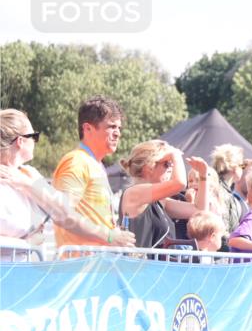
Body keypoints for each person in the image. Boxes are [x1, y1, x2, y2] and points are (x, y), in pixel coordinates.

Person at [0, 108, 136, 256]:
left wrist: (27, 184)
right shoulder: (76, 161)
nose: (118, 133)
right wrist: (26, 242)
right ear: (20, 141)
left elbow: (63, 208)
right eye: (34, 137)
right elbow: (65, 218)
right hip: (78, 264)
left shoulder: (29, 173)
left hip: (22, 267)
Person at [52, 96, 134, 249]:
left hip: (96, 260)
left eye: (119, 128)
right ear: (88, 129)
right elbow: (62, 215)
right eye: (111, 127)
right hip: (79, 261)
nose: (117, 133)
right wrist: (109, 236)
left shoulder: (95, 163)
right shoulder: (76, 161)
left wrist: (114, 233)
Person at [118, 141, 209, 248]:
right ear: (149, 167)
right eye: (167, 164)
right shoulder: (133, 193)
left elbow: (199, 211)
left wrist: (203, 176)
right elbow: (180, 183)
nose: (171, 168)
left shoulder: (160, 201)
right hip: (139, 259)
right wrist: (175, 154)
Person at [210, 143, 248, 239]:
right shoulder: (222, 192)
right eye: (242, 166)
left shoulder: (215, 187)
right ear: (235, 168)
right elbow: (223, 231)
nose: (243, 169)